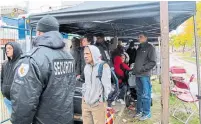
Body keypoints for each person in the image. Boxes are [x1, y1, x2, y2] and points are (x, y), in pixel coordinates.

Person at [10, 15, 75, 124]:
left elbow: (23, 102)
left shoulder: (32, 59)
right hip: (65, 119)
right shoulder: (68, 56)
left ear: (39, 33)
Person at [82, 45, 112, 124]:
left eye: (88, 54)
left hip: (98, 105)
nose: (85, 56)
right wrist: (84, 96)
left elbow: (107, 87)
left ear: (94, 53)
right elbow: (86, 83)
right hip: (86, 103)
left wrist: (101, 100)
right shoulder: (86, 67)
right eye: (84, 54)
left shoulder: (103, 66)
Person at [133, 32, 156, 121]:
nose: (139, 38)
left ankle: (147, 113)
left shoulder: (150, 47)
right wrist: (135, 69)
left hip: (144, 75)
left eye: (141, 37)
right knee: (139, 94)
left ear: (146, 37)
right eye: (138, 37)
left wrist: (142, 68)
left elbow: (152, 62)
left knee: (146, 94)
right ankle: (139, 111)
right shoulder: (139, 47)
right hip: (138, 75)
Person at [1, 42, 22, 114]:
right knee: (12, 119)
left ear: (16, 49)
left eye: (9, 48)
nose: (7, 50)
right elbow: (2, 79)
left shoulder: (22, 63)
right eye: (6, 48)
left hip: (18, 101)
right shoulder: (5, 64)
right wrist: (3, 93)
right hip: (7, 99)